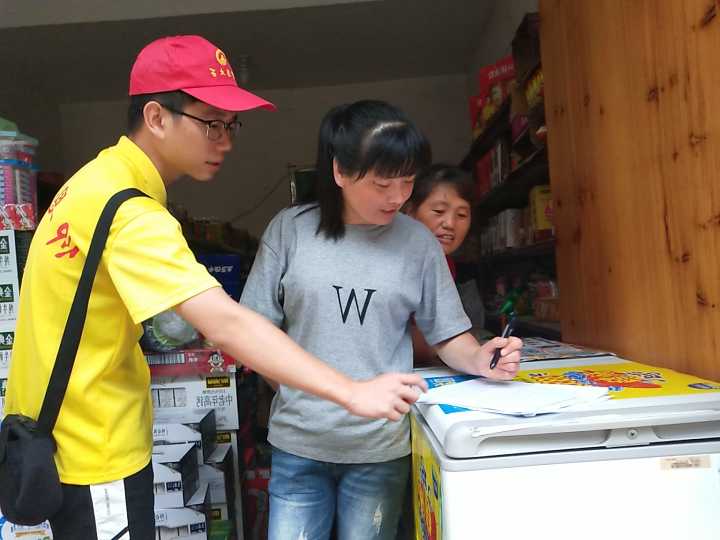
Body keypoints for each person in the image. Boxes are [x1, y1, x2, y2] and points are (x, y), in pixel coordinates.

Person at [3, 36, 425, 539]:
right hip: (93, 449)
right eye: (211, 123)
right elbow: (226, 323)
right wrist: (352, 391)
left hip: (58, 437)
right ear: (157, 117)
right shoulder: (130, 212)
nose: (225, 141)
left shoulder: (92, 180)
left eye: (230, 125)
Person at [240, 100, 523, 540]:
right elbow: (252, 332)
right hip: (299, 445)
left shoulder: (418, 243)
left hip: (380, 449)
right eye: (382, 183)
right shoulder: (290, 230)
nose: (398, 197)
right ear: (340, 171)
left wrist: (481, 358)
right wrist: (294, 390)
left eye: (408, 182)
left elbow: (448, 334)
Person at [404, 164, 475, 366]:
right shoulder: (392, 262)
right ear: (409, 212)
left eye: (462, 215)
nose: (450, 223)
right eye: (439, 211)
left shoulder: (446, 264)